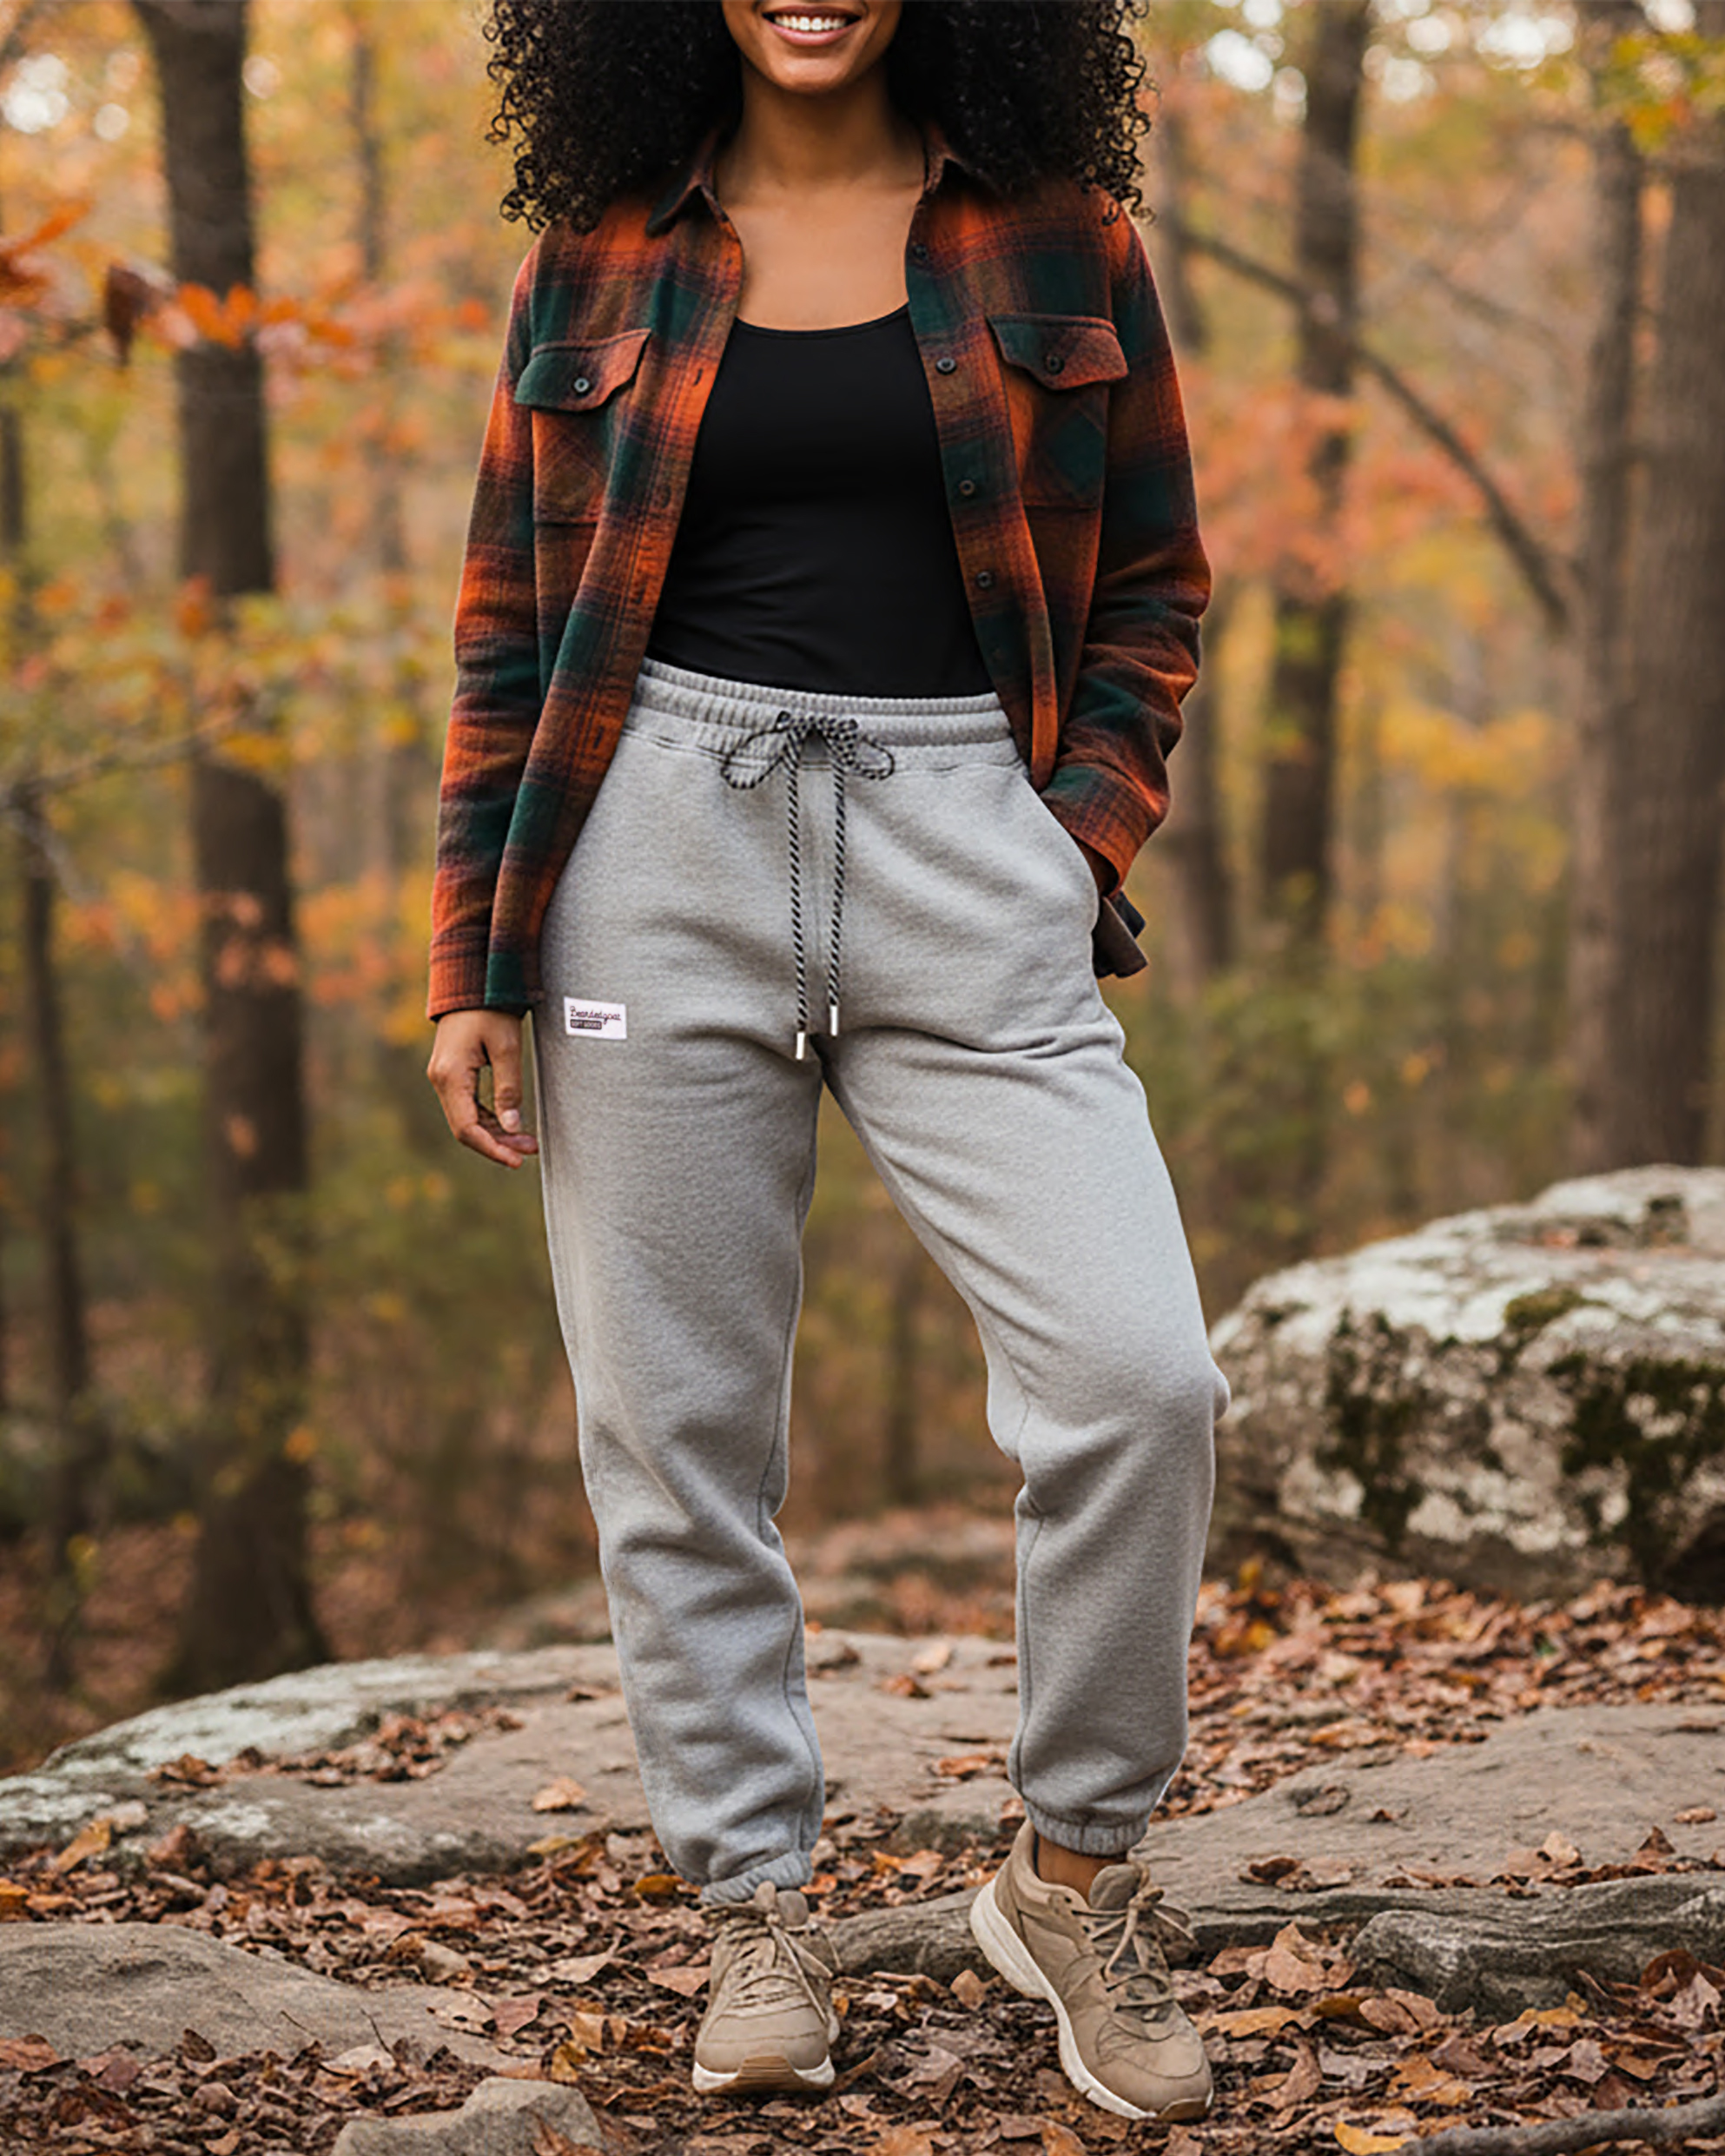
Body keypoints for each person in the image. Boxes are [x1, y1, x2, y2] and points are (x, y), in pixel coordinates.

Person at [426, 0, 1230, 2124]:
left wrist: (1073, 846)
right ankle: (752, 1899)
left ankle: (1072, 1872)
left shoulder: (1066, 238)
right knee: (673, 1422)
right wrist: (471, 955)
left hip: (975, 845)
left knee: (1142, 1377)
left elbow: (1155, 577)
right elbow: (510, 619)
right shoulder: (592, 252)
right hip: (646, 851)